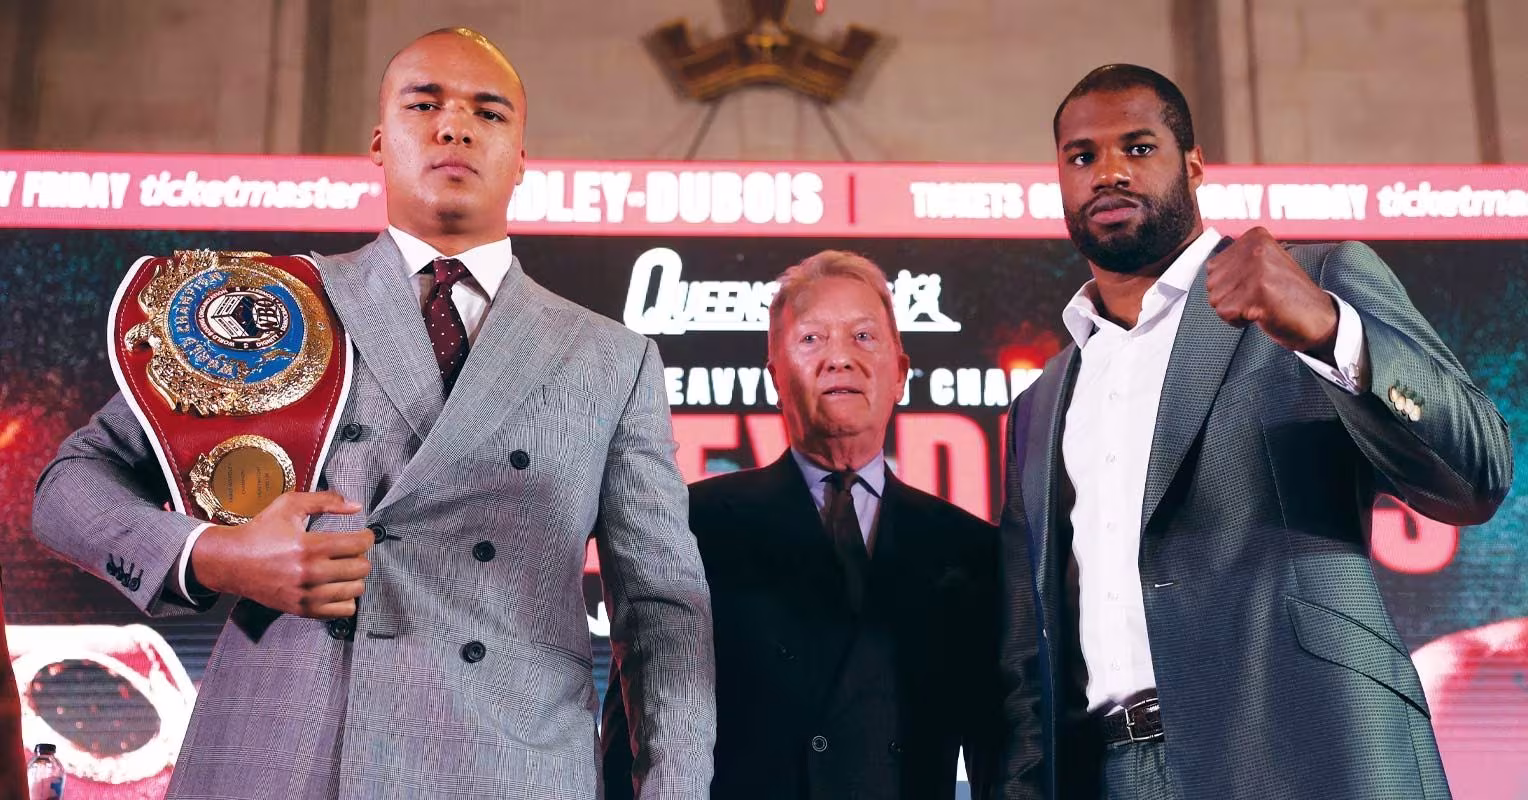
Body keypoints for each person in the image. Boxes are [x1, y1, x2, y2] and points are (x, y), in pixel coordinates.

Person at [32, 28, 714, 800]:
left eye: (488, 112)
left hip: (508, 768)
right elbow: (68, 485)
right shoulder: (270, 306)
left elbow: (662, 613)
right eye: (425, 104)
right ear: (380, 141)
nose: (454, 126)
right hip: (284, 755)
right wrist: (214, 556)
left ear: (523, 156)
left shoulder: (612, 361)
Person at [997, 63, 1514, 799]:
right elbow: (1028, 653)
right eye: (1082, 156)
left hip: (1304, 751)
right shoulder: (1040, 404)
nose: (1108, 172)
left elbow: (1478, 474)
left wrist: (1331, 331)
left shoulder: (1314, 282)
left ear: (1194, 166)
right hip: (1108, 774)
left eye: (1138, 147)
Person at [602, 251, 1006, 799]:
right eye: (812, 338)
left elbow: (998, 755)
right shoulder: (693, 526)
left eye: (863, 337)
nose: (840, 358)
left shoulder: (969, 548)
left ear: (900, 373)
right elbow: (633, 734)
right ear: (775, 377)